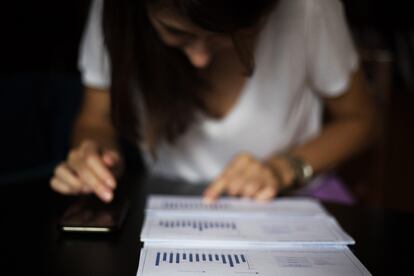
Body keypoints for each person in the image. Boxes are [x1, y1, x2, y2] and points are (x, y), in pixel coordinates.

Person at [50, 0, 377, 204]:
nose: (200, 58)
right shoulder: (113, 13)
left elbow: (362, 119)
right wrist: (95, 157)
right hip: (169, 202)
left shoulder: (308, 7)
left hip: (297, 198)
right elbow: (95, 119)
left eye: (226, 36)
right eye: (177, 32)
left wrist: (282, 169)